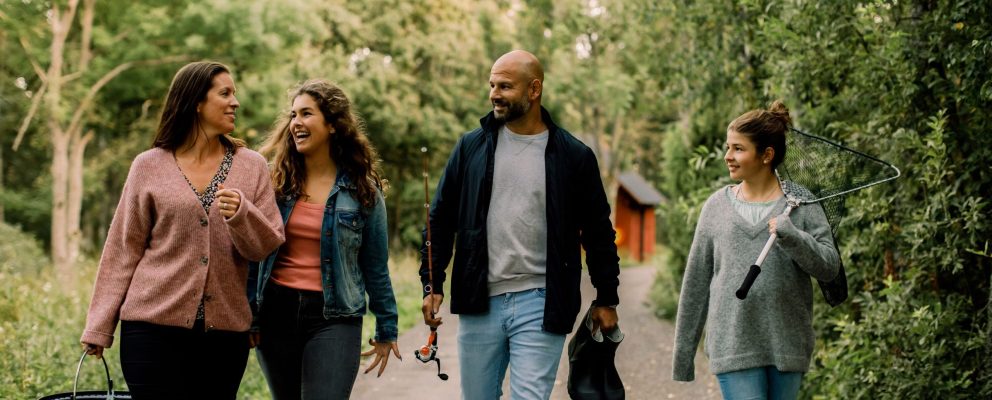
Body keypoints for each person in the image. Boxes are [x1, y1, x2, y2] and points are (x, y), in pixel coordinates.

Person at [419, 50, 621, 400]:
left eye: (505, 86)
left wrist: (607, 297)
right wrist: (432, 282)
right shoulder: (470, 148)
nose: (494, 94)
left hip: (542, 299)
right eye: (492, 85)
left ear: (534, 89)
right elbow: (440, 218)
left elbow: (598, 232)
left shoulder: (574, 156)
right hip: (480, 299)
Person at [80, 61, 286, 399]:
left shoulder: (252, 166)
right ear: (196, 102)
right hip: (150, 330)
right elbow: (123, 248)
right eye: (225, 93)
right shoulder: (148, 165)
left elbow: (265, 246)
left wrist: (242, 214)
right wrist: (99, 325)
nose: (235, 102)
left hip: (223, 336)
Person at [671, 101, 841, 399]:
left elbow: (829, 267)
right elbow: (696, 283)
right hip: (732, 345)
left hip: (787, 344)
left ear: (767, 155)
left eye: (738, 149)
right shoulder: (716, 207)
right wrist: (683, 355)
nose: (728, 156)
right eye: (728, 147)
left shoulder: (800, 203)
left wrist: (793, 236)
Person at [250, 79, 400, 399]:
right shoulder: (273, 183)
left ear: (332, 124)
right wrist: (251, 315)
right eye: (293, 115)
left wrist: (387, 328)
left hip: (335, 317)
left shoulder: (363, 191)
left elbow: (375, 266)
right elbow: (252, 252)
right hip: (276, 312)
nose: (296, 122)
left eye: (307, 114)